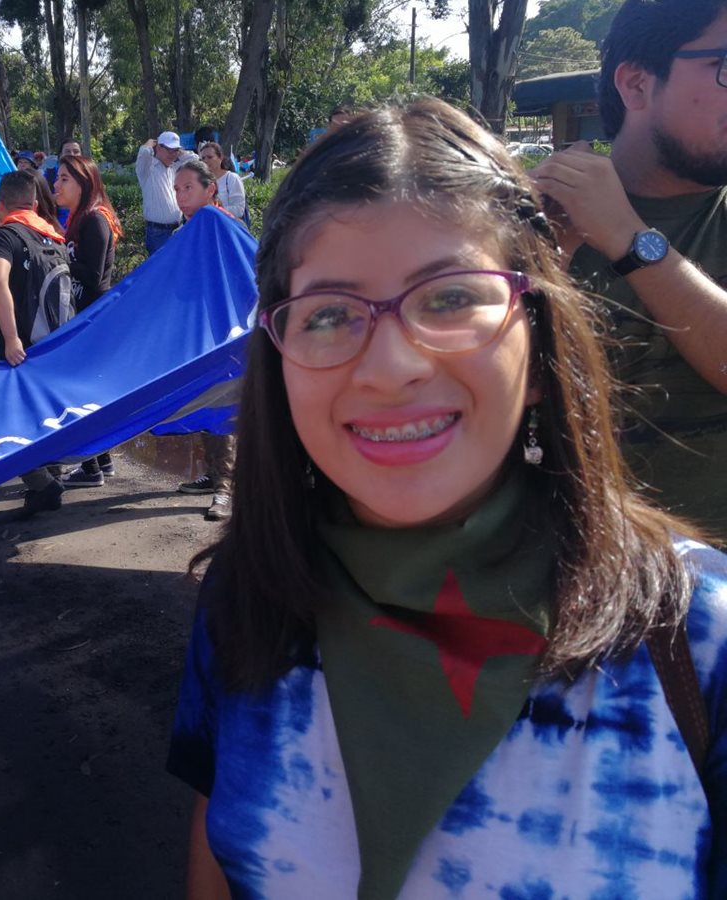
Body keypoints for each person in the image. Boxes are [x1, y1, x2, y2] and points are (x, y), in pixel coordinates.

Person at [168, 97, 727, 898]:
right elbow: (216, 854)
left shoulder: (697, 641)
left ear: (538, 351)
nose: (391, 366)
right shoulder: (248, 596)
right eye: (328, 313)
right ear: (279, 357)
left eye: (452, 298)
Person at [532, 0, 727, 542]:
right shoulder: (537, 214)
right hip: (570, 585)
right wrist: (546, 259)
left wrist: (629, 241)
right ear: (637, 85)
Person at [0, 169, 72, 518]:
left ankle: (43, 484)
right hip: (53, 346)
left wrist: (9, 338)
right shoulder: (54, 236)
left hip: (18, 349)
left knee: (4, 421)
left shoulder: (4, 236)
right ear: (35, 202)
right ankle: (50, 477)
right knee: (44, 416)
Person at [169, 159, 239, 521]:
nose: (180, 196)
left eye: (188, 188)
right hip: (197, 337)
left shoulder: (220, 224)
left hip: (223, 339)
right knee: (203, 405)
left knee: (221, 409)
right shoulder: (190, 230)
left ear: (210, 189)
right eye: (177, 189)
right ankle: (215, 476)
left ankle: (226, 489)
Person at [52, 154, 123, 489]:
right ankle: (100, 462)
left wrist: (59, 254)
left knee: (82, 393)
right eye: (58, 178)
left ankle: (92, 467)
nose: (57, 184)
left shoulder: (95, 219)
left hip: (94, 319)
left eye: (65, 178)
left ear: (84, 182)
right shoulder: (79, 218)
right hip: (86, 317)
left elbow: (94, 277)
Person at [136, 131, 196, 255]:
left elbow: (195, 160)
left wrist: (181, 152)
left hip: (179, 228)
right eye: (169, 149)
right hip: (157, 233)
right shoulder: (148, 169)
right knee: (161, 272)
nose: (172, 154)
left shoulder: (175, 168)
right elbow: (144, 154)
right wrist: (148, 144)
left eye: (175, 150)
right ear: (158, 147)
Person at [198, 141, 246, 220]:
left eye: (210, 157)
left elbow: (239, 210)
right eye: (203, 158)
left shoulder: (232, 178)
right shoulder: (200, 181)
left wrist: (215, 210)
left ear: (220, 158)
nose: (205, 161)